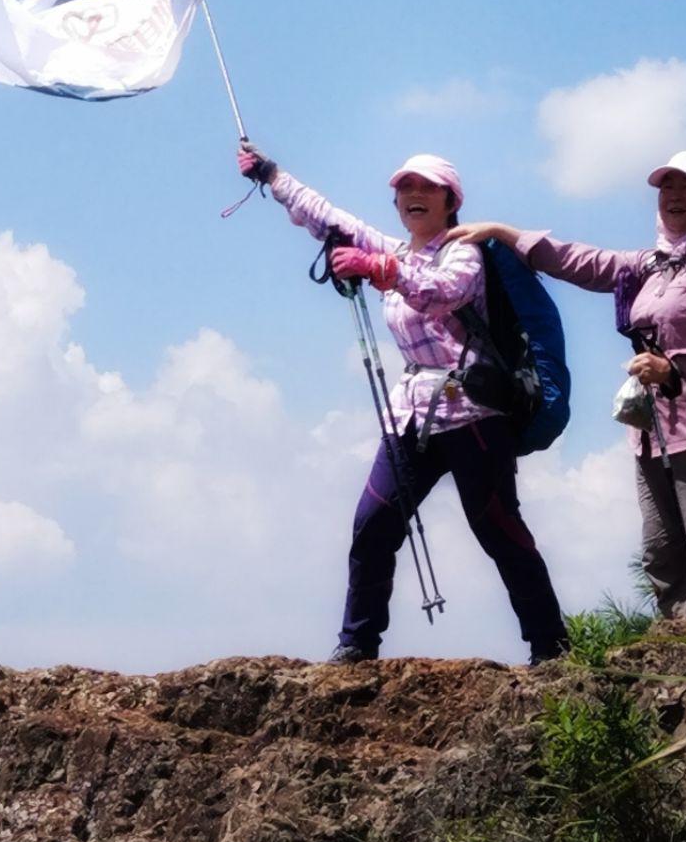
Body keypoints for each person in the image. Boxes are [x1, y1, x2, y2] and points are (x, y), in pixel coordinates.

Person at [238, 142, 572, 664]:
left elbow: (441, 292)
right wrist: (272, 175)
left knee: (497, 528)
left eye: (426, 188)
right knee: (373, 523)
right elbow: (329, 217)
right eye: (404, 188)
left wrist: (380, 270)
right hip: (413, 414)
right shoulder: (396, 251)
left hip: (474, 411)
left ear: (449, 200)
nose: (414, 195)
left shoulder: (463, 252)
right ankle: (357, 644)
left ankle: (550, 643)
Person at [448, 150, 686, 630]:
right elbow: (584, 261)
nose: (673, 196)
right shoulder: (652, 263)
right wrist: (503, 233)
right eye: (666, 187)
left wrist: (673, 367)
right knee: (664, 556)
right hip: (653, 433)